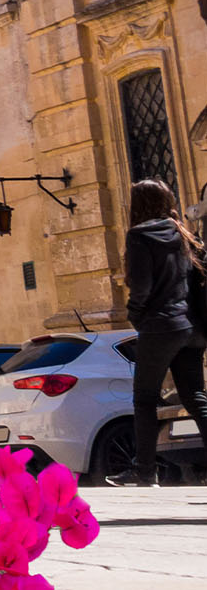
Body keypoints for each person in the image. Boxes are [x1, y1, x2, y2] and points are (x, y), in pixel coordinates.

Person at [111, 178, 207, 486]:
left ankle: (145, 471)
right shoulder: (184, 235)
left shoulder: (139, 235)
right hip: (191, 328)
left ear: (138, 204)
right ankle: (144, 470)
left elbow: (141, 286)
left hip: (160, 326)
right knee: (195, 397)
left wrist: (135, 315)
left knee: (145, 399)